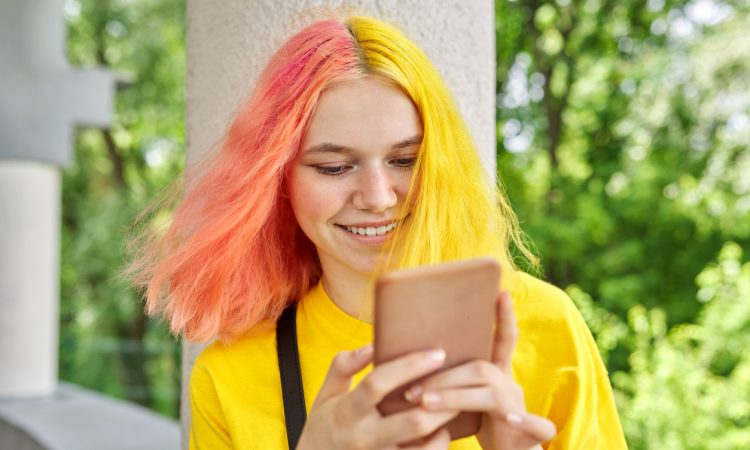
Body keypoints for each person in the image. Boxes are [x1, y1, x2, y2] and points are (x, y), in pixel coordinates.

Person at [128, 15, 628, 450]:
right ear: (277, 182)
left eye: (404, 160)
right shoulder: (229, 374)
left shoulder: (545, 325)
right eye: (333, 167)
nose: (378, 196)